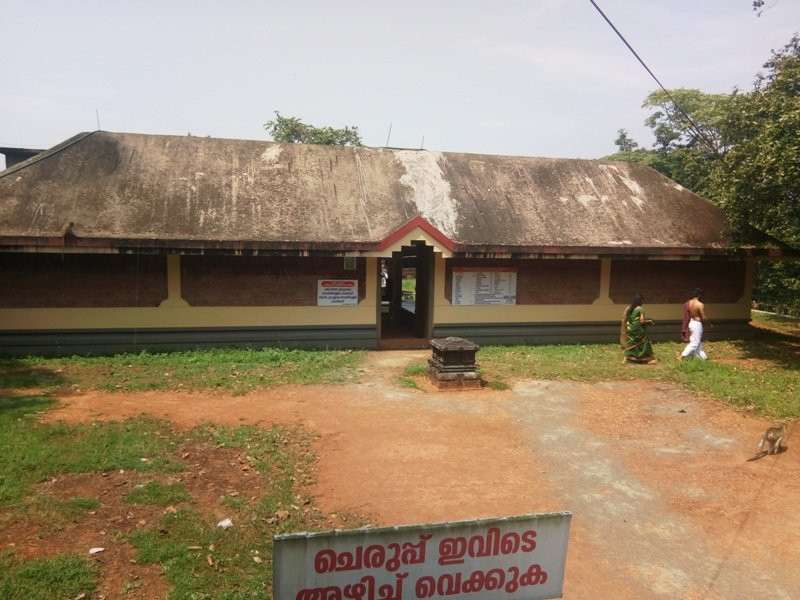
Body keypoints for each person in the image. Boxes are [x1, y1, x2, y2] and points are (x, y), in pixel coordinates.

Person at [621, 293, 656, 364]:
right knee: (644, 342)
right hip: (638, 328)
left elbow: (626, 318)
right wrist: (649, 321)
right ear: (640, 301)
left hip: (630, 328)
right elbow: (642, 321)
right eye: (642, 301)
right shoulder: (641, 309)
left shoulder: (629, 308)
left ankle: (626, 358)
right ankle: (648, 359)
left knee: (630, 342)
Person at [679, 288, 709, 361]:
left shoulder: (689, 303)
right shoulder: (699, 304)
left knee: (697, 342)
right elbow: (704, 317)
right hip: (697, 324)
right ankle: (681, 356)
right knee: (695, 342)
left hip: (691, 323)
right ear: (699, 295)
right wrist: (709, 323)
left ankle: (704, 358)